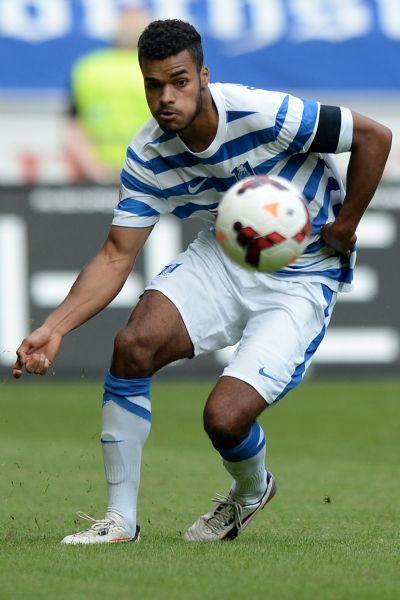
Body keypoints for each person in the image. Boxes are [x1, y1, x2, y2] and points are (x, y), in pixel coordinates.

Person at [13, 19, 391, 544]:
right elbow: (116, 255)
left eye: (179, 82)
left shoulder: (264, 113)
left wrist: (346, 225)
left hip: (302, 276)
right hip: (225, 258)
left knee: (224, 419)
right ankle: (120, 521)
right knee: (133, 346)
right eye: (154, 85)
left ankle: (251, 489)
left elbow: (374, 136)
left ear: (203, 77)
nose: (166, 98)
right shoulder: (149, 155)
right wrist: (55, 327)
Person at [64, 6, 151, 184]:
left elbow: (74, 127)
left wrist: (96, 169)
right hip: (149, 173)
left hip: (99, 174)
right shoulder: (162, 68)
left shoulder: (88, 68)